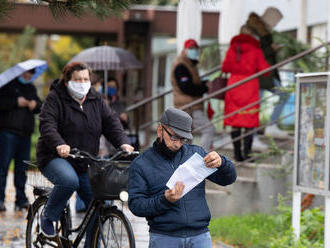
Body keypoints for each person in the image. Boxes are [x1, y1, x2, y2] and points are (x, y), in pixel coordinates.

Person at [36, 62, 134, 246]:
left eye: (86, 79)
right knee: (68, 181)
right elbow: (47, 125)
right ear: (67, 82)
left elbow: (111, 122)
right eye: (78, 79)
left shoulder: (96, 99)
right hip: (55, 157)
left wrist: (123, 143)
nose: (82, 83)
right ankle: (48, 217)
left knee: (100, 201)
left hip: (84, 160)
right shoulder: (55, 98)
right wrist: (59, 144)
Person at [128, 107, 236, 248]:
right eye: (174, 137)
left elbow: (228, 179)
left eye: (183, 139)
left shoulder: (196, 154)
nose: (178, 144)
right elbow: (136, 205)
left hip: (200, 236)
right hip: (164, 237)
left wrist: (223, 163)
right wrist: (165, 200)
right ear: (160, 130)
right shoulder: (141, 163)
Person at [222, 25, 270, 161]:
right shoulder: (255, 50)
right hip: (250, 87)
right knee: (248, 121)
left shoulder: (232, 49)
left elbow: (225, 67)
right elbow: (265, 70)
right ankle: (247, 154)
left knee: (235, 121)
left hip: (234, 86)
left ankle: (237, 155)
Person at [0, 68, 42, 212]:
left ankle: (21, 200)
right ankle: (0, 200)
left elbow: (40, 106)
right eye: (26, 72)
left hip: (25, 135)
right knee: (3, 167)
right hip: (8, 133)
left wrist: (35, 105)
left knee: (21, 169)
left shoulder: (31, 88)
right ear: (20, 73)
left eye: (31, 73)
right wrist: (15, 102)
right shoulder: (8, 86)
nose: (28, 75)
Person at [247, 11, 289, 139]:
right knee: (256, 106)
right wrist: (272, 49)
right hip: (262, 74)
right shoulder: (257, 34)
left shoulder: (258, 33)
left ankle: (266, 128)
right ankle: (260, 133)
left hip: (265, 74)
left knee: (282, 96)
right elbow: (258, 53)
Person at [171, 39, 215, 152]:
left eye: (195, 49)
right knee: (208, 129)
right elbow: (186, 87)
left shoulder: (190, 64)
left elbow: (192, 84)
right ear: (184, 50)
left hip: (189, 106)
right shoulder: (181, 66)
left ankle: (187, 160)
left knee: (187, 137)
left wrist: (204, 83)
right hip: (188, 106)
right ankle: (202, 157)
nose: (194, 51)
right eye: (191, 49)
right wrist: (205, 88)